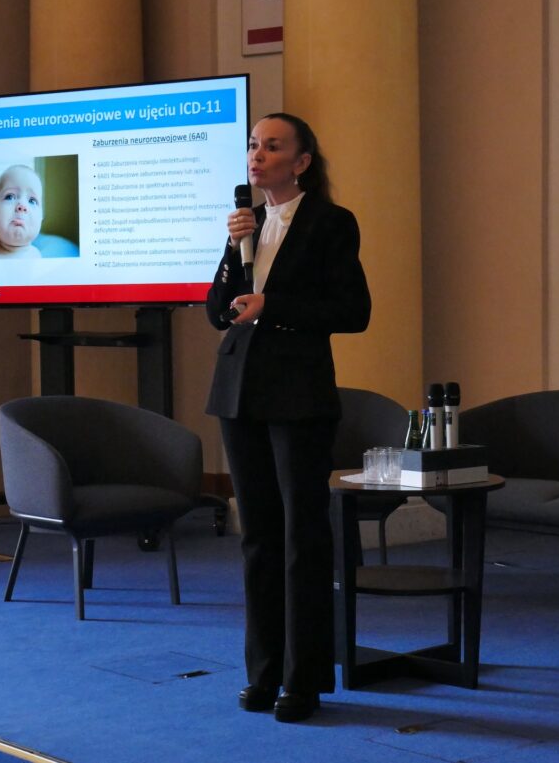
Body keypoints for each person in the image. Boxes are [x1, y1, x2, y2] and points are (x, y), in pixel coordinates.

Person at [205, 112, 371, 722]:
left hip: (298, 394)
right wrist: (234, 248)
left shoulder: (330, 222)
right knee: (257, 537)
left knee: (302, 536)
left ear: (301, 162)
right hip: (240, 392)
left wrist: (272, 306)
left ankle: (303, 679)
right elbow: (218, 311)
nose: (257, 155)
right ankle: (264, 671)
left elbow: (352, 311)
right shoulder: (246, 223)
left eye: (272, 147)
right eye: (253, 145)